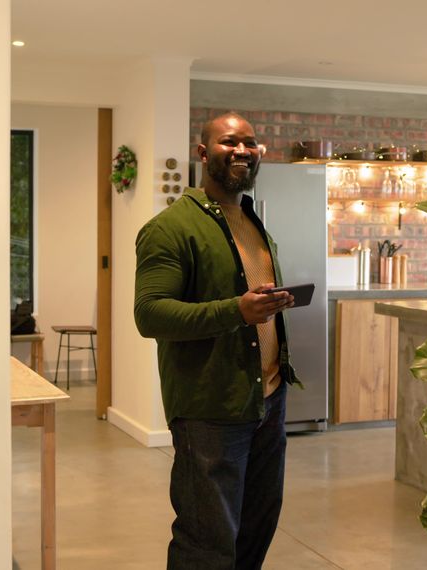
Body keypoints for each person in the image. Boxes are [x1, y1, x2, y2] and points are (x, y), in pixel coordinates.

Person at [134, 112, 300, 569]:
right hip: (210, 408)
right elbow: (149, 314)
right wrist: (236, 311)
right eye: (230, 142)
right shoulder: (170, 228)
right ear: (203, 153)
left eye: (250, 143)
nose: (242, 151)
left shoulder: (250, 219)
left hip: (267, 398)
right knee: (207, 539)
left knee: (256, 524)